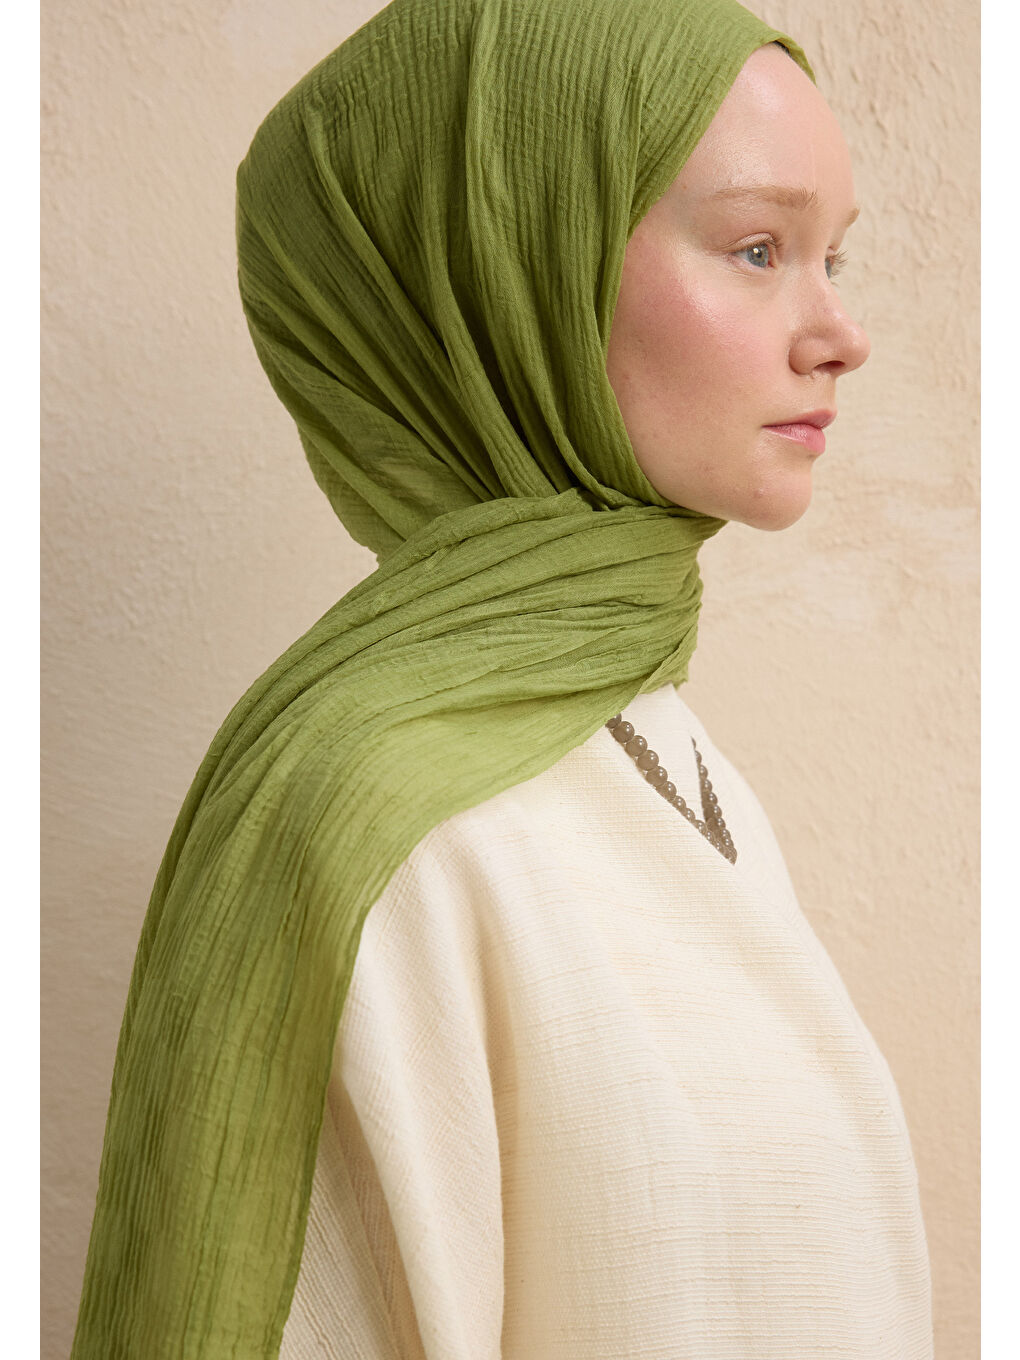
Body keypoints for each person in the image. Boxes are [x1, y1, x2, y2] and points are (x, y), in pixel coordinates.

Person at [70, 1, 935, 1357]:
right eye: (759, 249)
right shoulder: (386, 816)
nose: (840, 331)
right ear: (514, 272)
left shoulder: (658, 741)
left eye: (834, 256)